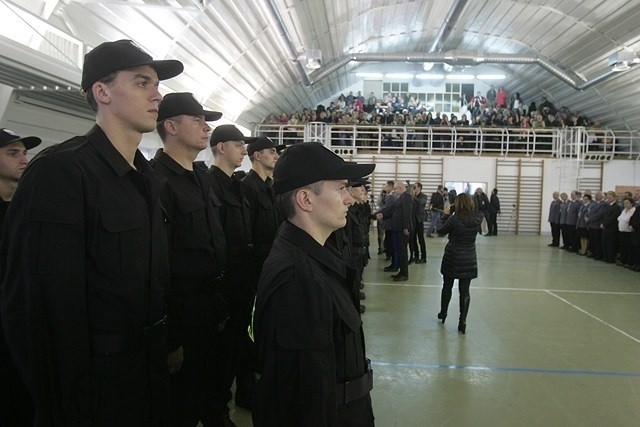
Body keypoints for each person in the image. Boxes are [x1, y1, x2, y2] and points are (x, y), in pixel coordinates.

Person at [0, 39, 183, 425]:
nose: (157, 94)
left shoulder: (146, 177)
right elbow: (38, 308)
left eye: (155, 83)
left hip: (145, 375)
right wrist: (64, 405)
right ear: (102, 92)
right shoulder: (61, 172)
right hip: (93, 392)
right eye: (141, 82)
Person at [253, 142, 375, 426]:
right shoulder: (298, 279)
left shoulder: (317, 256)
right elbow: (304, 397)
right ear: (306, 200)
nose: (348, 199)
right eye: (340, 188)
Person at [152, 93, 230, 426]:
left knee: (207, 388)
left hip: (211, 307)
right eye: (197, 121)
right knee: (180, 403)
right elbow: (157, 267)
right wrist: (171, 339)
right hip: (182, 316)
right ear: (171, 126)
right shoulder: (157, 181)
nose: (206, 127)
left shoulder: (202, 177)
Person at [207, 124, 256, 426]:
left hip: (243, 283)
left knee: (240, 345)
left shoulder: (238, 185)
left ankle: (237, 393)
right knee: (220, 355)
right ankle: (216, 408)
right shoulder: (210, 185)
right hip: (224, 285)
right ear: (221, 147)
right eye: (238, 145)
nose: (244, 151)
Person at [0, 128, 41, 426]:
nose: (24, 159)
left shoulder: (24, 209)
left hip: (24, 325)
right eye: (12, 154)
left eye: (24, 152)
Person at [436, 193, 483, 334]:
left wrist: (445, 215)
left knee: (447, 286)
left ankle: (443, 312)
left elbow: (440, 231)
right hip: (469, 257)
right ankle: (462, 320)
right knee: (465, 291)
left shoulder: (454, 219)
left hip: (453, 256)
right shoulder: (477, 218)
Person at [376, 181, 413, 281]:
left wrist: (405, 227)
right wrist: (383, 215)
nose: (395, 191)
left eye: (396, 189)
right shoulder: (401, 197)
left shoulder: (407, 197)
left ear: (400, 188)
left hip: (402, 229)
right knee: (400, 251)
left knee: (403, 251)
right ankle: (401, 271)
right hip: (397, 228)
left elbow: (407, 213)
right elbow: (393, 211)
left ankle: (404, 274)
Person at [410, 182, 428, 263]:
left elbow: (421, 203)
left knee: (421, 239)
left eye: (415, 187)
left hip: (419, 220)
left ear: (419, 188)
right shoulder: (412, 196)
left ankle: (423, 257)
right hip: (413, 220)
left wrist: (413, 196)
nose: (414, 188)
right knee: (413, 239)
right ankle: (416, 256)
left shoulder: (424, 196)